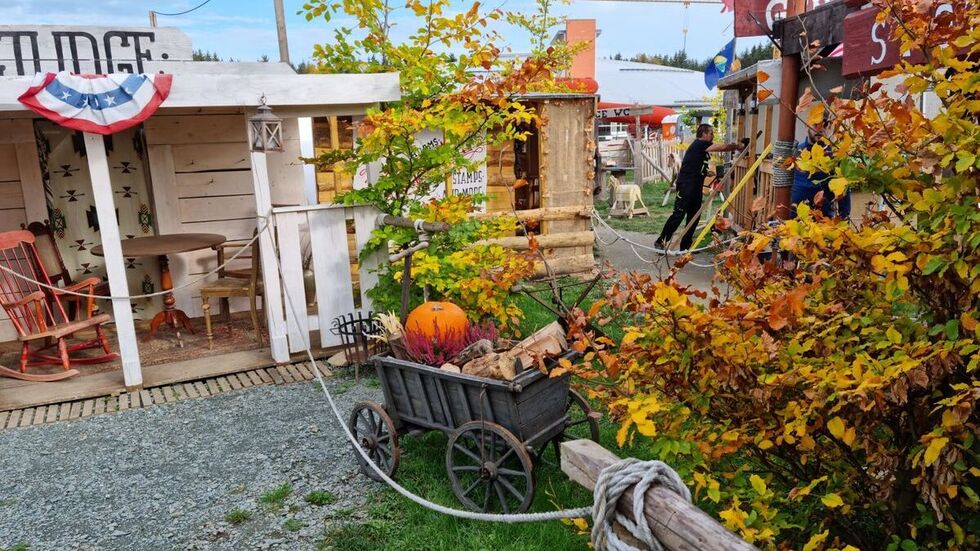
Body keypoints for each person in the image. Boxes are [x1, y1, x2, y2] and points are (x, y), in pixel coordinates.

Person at [655, 124, 742, 251]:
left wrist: (706, 172)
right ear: (704, 134)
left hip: (695, 187)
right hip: (686, 186)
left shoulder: (700, 148)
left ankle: (685, 246)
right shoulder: (700, 144)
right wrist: (738, 146)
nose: (713, 136)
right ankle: (661, 241)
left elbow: (694, 163)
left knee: (694, 216)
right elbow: (722, 147)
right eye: (711, 133)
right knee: (679, 214)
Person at [791, 123, 851, 220]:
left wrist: (844, 218)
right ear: (807, 125)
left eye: (825, 125)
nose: (820, 129)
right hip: (794, 218)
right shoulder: (796, 153)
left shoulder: (835, 156)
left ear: (831, 128)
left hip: (823, 220)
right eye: (815, 125)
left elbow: (844, 189)